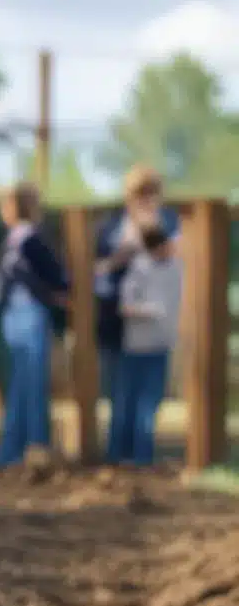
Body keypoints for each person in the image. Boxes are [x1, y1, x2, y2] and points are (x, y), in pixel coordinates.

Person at [0, 181, 69, 468]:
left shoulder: (12, 242)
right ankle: (35, 447)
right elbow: (59, 279)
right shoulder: (32, 239)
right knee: (32, 384)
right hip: (30, 315)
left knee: (20, 384)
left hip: (12, 318)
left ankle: (12, 451)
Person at [94, 164, 180, 413]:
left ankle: (141, 448)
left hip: (155, 323)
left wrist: (154, 235)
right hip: (117, 321)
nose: (146, 199)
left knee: (150, 397)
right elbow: (93, 269)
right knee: (117, 392)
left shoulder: (170, 224)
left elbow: (179, 261)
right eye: (140, 193)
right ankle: (120, 449)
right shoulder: (110, 227)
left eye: (152, 192)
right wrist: (119, 257)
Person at [105, 221, 182, 466]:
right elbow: (125, 306)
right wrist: (151, 311)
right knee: (127, 401)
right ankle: (119, 454)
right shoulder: (139, 268)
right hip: (137, 345)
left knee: (150, 404)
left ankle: (142, 457)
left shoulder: (176, 267)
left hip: (160, 344)